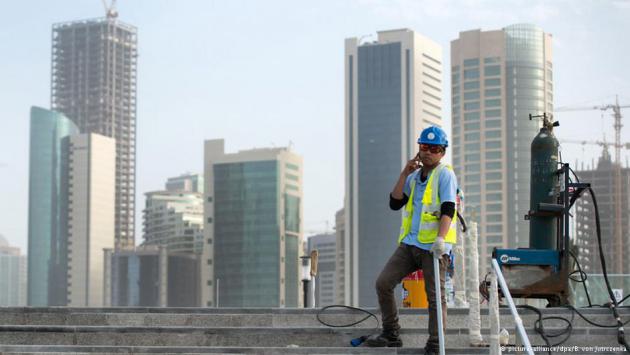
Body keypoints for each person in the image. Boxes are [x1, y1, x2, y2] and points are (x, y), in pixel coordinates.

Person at [365, 126, 458, 355]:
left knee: (435, 298)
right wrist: (404, 173)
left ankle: (436, 345)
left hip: (433, 248)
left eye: (434, 148)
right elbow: (395, 203)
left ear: (442, 152)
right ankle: (391, 334)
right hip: (410, 244)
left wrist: (440, 239)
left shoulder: (445, 174)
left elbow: (449, 208)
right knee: (383, 283)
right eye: (424, 147)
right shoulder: (414, 177)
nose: (428, 152)